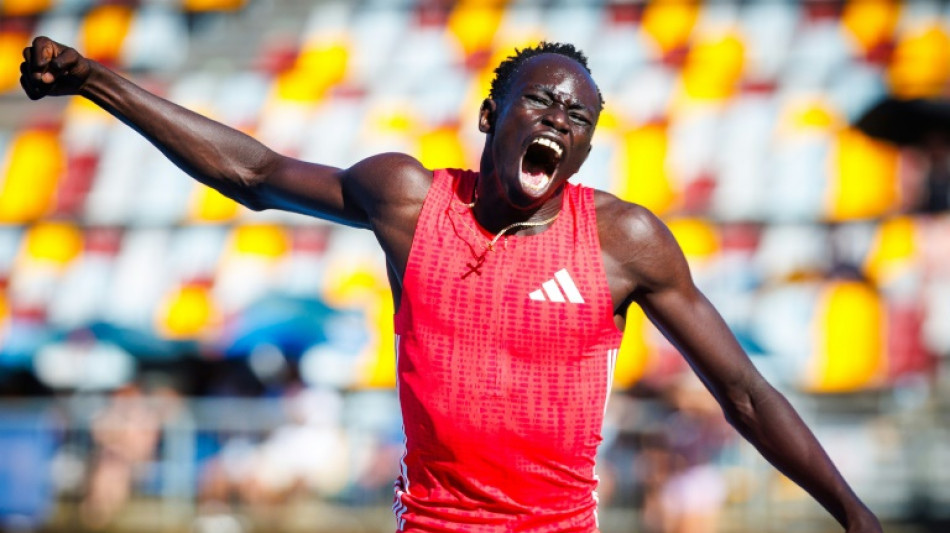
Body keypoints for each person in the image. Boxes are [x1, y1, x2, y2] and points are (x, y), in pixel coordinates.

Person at [20, 37, 883, 533]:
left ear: (586, 148)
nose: (559, 120)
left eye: (578, 117)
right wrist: (97, 82)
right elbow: (251, 171)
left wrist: (854, 514)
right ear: (490, 118)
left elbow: (741, 391)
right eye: (541, 103)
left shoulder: (622, 240)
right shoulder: (407, 200)